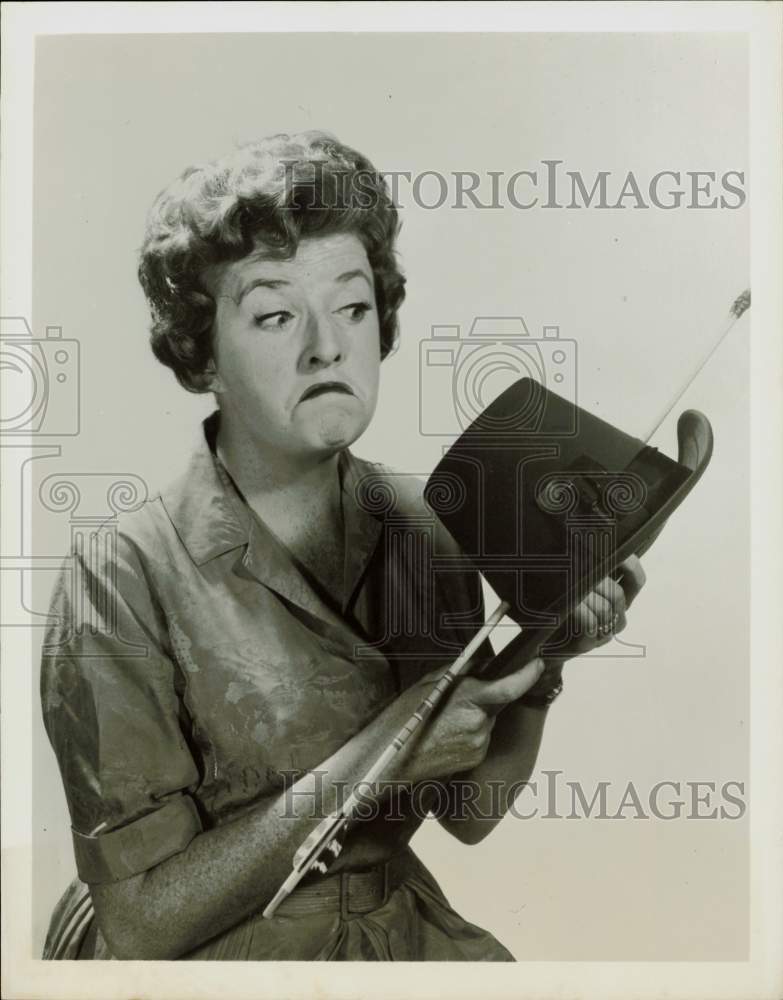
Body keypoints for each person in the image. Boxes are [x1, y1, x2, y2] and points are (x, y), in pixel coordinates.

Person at [40, 131, 646, 961]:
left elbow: (468, 816)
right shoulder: (120, 576)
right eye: (275, 314)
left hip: (384, 931)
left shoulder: (425, 519)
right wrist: (384, 759)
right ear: (200, 353)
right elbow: (143, 922)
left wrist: (548, 655)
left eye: (352, 306)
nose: (326, 346)